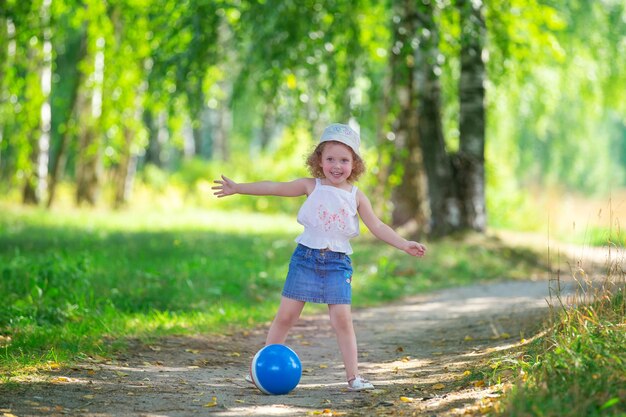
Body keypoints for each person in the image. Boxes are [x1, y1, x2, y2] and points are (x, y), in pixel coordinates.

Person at [212, 123, 426, 391]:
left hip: (337, 265)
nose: (337, 166)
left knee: (342, 321)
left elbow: (378, 226)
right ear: (319, 161)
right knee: (286, 317)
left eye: (344, 160)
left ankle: (353, 378)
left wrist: (404, 244)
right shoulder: (310, 186)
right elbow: (275, 188)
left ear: (355, 164)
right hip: (305, 259)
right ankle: (262, 368)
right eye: (330, 159)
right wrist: (239, 188)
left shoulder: (356, 196)